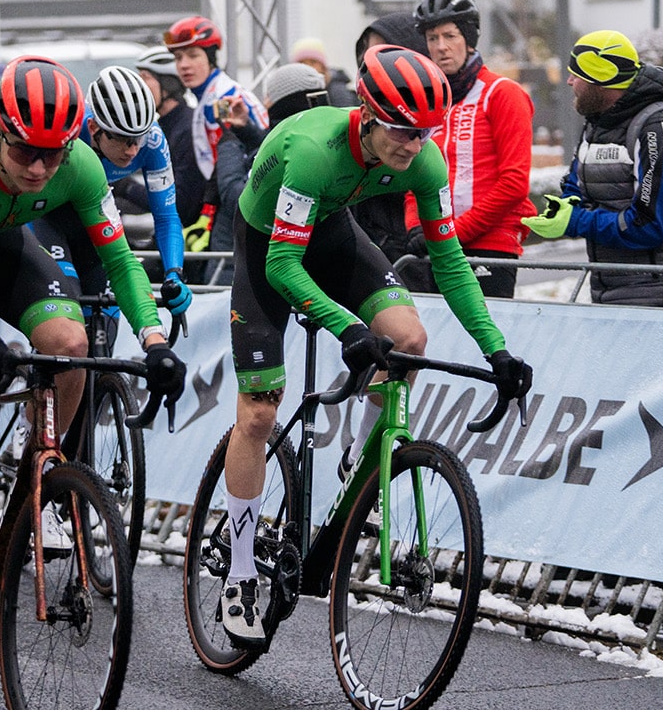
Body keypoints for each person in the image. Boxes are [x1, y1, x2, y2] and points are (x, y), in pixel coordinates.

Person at [0, 55, 186, 690]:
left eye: (55, 153)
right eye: (26, 152)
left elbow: (121, 261)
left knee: (69, 341)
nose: (42, 167)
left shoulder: (78, 165)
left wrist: (154, 338)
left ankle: (37, 462)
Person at [217, 44, 531, 647]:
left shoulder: (423, 161)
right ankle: (238, 572)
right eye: (403, 131)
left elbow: (450, 261)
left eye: (424, 133)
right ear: (366, 113)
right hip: (266, 248)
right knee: (258, 411)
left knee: (408, 338)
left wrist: (497, 350)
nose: (414, 146)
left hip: (332, 231)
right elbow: (283, 265)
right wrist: (348, 329)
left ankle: (358, 468)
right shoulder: (312, 151)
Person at [521, 29, 663, 307]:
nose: (570, 81)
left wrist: (575, 221)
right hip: (610, 290)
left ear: (601, 79)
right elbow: (577, 183)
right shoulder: (598, 122)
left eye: (578, 74)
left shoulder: (659, 127)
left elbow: (649, 224)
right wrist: (565, 206)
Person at [32, 65, 193, 341]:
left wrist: (173, 273)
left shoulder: (152, 140)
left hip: (98, 221)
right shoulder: (70, 131)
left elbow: (166, 216)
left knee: (103, 336)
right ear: (94, 128)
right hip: (53, 219)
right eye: (121, 138)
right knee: (67, 325)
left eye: (137, 139)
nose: (132, 150)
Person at [405, 0, 535, 299]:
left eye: (450, 36)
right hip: (439, 242)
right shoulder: (430, 100)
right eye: (433, 38)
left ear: (469, 39)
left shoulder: (502, 93)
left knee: (484, 340)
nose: (441, 47)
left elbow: (514, 183)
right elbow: (413, 171)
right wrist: (415, 227)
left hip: (490, 243)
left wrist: (448, 233)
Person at [162, 15, 268, 284]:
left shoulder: (221, 98)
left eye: (193, 55)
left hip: (238, 205)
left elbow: (244, 153)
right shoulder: (209, 94)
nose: (184, 65)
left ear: (211, 58)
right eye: (178, 58)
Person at [349, 13, 432, 279]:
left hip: (405, 248)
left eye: (383, 53)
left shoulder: (431, 112)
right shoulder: (360, 111)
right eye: (368, 54)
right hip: (369, 243)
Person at [136, 46, 199, 230]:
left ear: (167, 84)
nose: (139, 86)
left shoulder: (188, 129)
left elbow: (180, 205)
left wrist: (125, 188)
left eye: (145, 78)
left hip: (189, 242)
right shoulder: (164, 126)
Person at [289, 37, 355, 107]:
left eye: (313, 62)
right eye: (302, 63)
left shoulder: (339, 92)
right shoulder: (292, 94)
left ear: (322, 66)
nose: (307, 67)